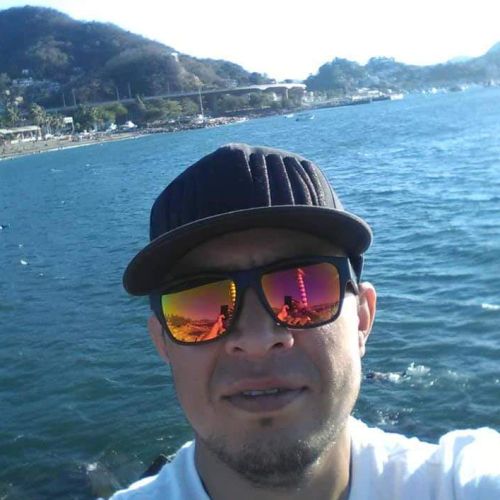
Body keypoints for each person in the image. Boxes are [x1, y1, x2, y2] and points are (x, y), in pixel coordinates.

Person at [110, 143, 500, 499]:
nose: (258, 339)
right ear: (162, 343)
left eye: (305, 289)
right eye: (200, 306)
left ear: (362, 319)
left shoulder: (461, 483)